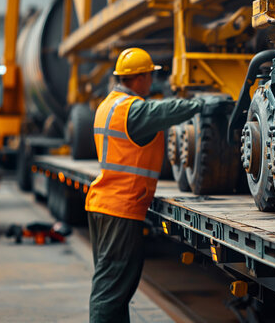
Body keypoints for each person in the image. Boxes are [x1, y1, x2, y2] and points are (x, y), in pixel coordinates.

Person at [85, 47, 204, 322]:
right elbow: (163, 111)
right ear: (138, 78)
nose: (151, 81)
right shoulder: (133, 110)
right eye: (149, 75)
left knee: (113, 288)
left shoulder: (108, 104)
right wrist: (200, 104)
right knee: (111, 290)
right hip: (121, 209)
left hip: (104, 203)